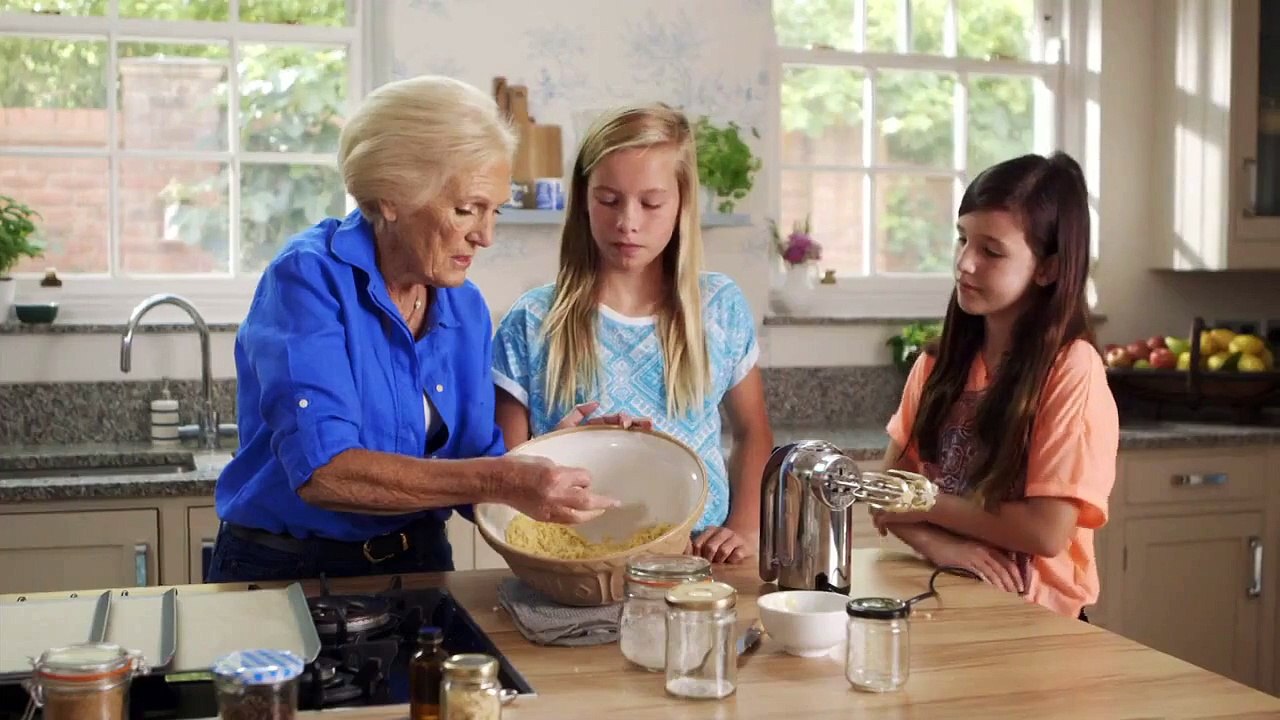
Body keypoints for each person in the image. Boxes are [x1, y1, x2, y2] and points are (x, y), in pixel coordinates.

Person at [205, 75, 618, 583]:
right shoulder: (307, 280)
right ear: (390, 197)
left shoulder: (464, 307)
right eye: (466, 208)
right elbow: (324, 472)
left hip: (418, 563)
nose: (485, 236)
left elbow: (475, 468)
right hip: (288, 571)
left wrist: (557, 457)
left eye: (495, 212)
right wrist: (506, 478)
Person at [491, 103, 775, 565]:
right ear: (583, 199)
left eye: (651, 202)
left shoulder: (718, 308)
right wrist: (563, 447)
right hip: (576, 565)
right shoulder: (533, 320)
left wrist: (744, 526)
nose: (628, 221)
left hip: (700, 565)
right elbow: (505, 474)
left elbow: (753, 432)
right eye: (608, 200)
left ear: (682, 202)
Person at [873, 152, 1119, 621]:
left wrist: (925, 503)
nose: (964, 263)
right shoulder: (936, 363)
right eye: (962, 239)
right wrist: (942, 547)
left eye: (991, 250)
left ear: (1047, 268)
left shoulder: (1072, 368)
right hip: (947, 597)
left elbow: (1045, 531)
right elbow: (887, 496)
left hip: (1038, 619)